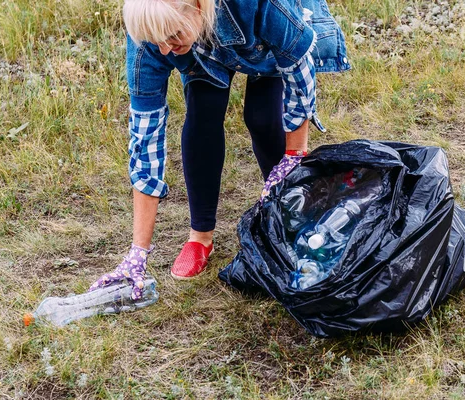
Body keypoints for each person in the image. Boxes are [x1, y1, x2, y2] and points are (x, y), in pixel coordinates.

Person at [89, 0, 350, 298]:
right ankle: (200, 237)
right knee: (202, 113)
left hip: (263, 42)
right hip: (203, 47)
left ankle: (293, 217)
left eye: (172, 35)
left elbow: (296, 67)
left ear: (197, 6)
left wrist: (294, 156)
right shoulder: (150, 31)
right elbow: (145, 140)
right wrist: (138, 253)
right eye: (156, 41)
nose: (163, 48)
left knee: (263, 119)